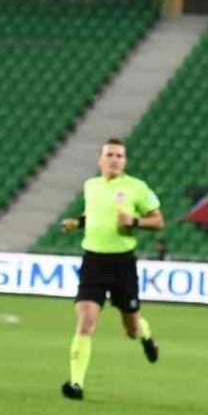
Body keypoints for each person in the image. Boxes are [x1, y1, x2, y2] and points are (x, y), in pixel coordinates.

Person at [58, 138, 163, 400]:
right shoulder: (91, 185)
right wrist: (77, 223)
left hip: (122, 263)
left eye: (119, 156)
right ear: (100, 160)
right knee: (86, 322)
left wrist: (135, 221)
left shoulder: (136, 187)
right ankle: (76, 384)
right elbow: (93, 214)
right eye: (110, 155)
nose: (115, 159)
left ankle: (145, 334)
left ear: (125, 161)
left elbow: (158, 220)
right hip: (93, 261)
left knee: (131, 329)